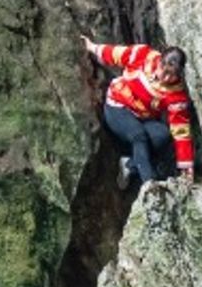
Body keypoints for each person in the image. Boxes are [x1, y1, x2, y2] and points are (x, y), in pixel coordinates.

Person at [81, 36, 194, 187]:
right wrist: (92, 47)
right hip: (118, 106)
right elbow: (116, 54)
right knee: (138, 136)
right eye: (164, 71)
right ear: (160, 61)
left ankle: (129, 165)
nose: (165, 78)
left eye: (172, 75)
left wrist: (186, 166)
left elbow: (181, 130)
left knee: (163, 136)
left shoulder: (176, 95)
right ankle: (149, 183)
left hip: (143, 117)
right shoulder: (142, 54)